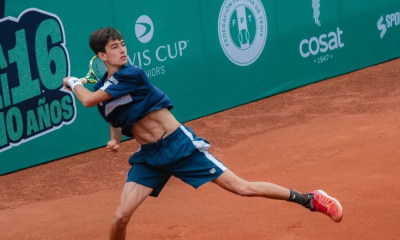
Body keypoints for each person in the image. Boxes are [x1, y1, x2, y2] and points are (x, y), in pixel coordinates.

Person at [63, 27, 343, 240]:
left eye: (123, 44)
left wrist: (75, 83)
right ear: (102, 55)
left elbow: (88, 100)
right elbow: (113, 114)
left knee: (241, 188)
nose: (123, 50)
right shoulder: (106, 87)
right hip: (149, 156)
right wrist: (114, 139)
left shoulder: (130, 74)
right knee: (121, 217)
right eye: (115, 47)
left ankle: (310, 198)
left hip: (179, 146)